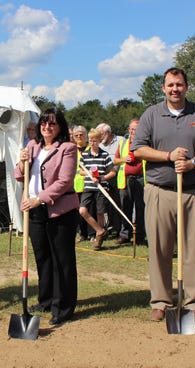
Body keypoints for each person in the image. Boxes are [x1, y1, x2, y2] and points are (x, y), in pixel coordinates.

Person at [131, 67, 195, 322]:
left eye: (179, 84)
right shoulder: (152, 114)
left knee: (194, 250)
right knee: (159, 249)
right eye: (170, 85)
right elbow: (138, 149)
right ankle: (161, 300)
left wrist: (193, 162)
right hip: (160, 192)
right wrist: (168, 157)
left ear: (187, 87)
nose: (175, 89)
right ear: (163, 88)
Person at [15, 107, 80, 326]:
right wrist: (21, 161)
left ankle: (63, 307)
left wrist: (39, 198)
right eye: (43, 122)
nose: (47, 127)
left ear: (60, 126)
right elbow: (19, 175)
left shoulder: (68, 148)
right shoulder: (32, 146)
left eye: (52, 123)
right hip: (35, 212)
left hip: (60, 210)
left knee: (62, 260)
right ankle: (46, 299)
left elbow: (64, 181)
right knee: (43, 257)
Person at [78, 128, 116, 250]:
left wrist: (101, 178)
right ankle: (100, 230)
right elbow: (81, 171)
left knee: (100, 212)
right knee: (82, 211)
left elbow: (113, 172)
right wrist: (89, 173)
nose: (92, 143)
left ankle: (98, 241)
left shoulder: (104, 155)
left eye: (94, 141)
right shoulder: (85, 155)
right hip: (88, 187)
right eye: (90, 141)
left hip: (101, 188)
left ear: (99, 141)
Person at [113, 119, 146, 245]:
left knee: (140, 209)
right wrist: (123, 159)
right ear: (128, 130)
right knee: (125, 207)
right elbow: (115, 161)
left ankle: (139, 236)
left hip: (141, 179)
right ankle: (124, 234)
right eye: (131, 129)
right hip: (125, 180)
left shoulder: (145, 143)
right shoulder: (122, 143)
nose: (133, 132)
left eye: (136, 130)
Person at [97, 123, 123, 237]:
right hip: (104, 178)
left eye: (101, 134)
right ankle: (111, 226)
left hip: (118, 177)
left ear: (107, 133)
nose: (100, 137)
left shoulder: (121, 141)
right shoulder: (100, 145)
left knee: (119, 204)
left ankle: (120, 229)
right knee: (107, 205)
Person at [73, 125, 93, 242]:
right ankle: (82, 234)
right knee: (78, 212)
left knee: (89, 210)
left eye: (81, 134)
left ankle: (92, 234)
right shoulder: (71, 149)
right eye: (77, 135)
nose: (79, 137)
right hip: (75, 185)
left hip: (89, 184)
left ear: (86, 136)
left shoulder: (92, 148)